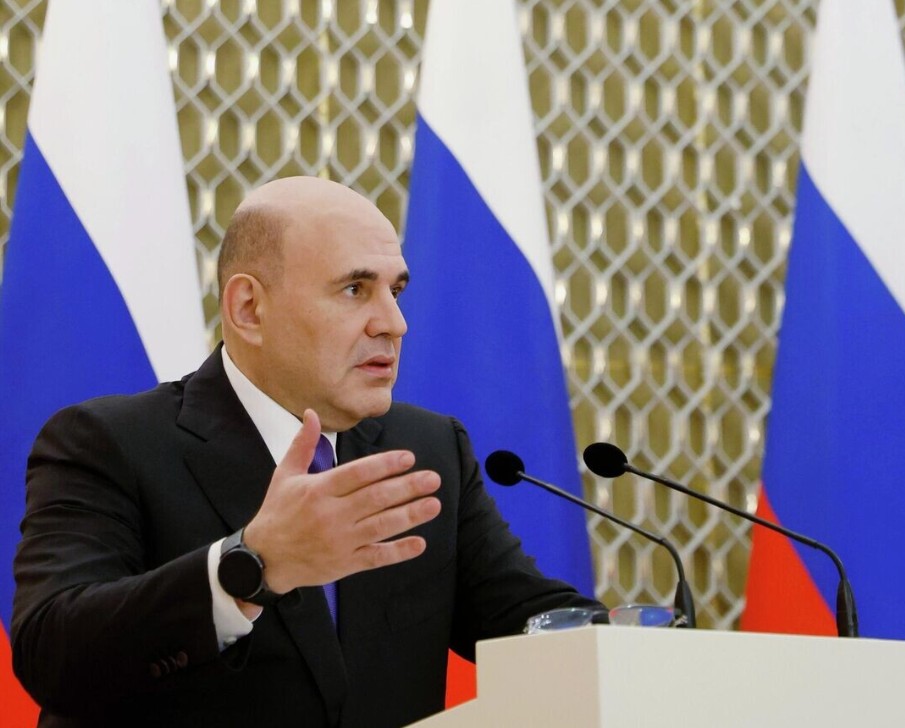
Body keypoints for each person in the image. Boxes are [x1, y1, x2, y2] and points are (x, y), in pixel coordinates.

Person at [12, 177, 598, 727]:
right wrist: (250, 566)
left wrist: (630, 636)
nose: (394, 323)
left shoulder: (428, 450)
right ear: (249, 309)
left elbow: (526, 621)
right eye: (355, 289)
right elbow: (53, 654)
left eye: (395, 291)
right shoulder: (109, 442)